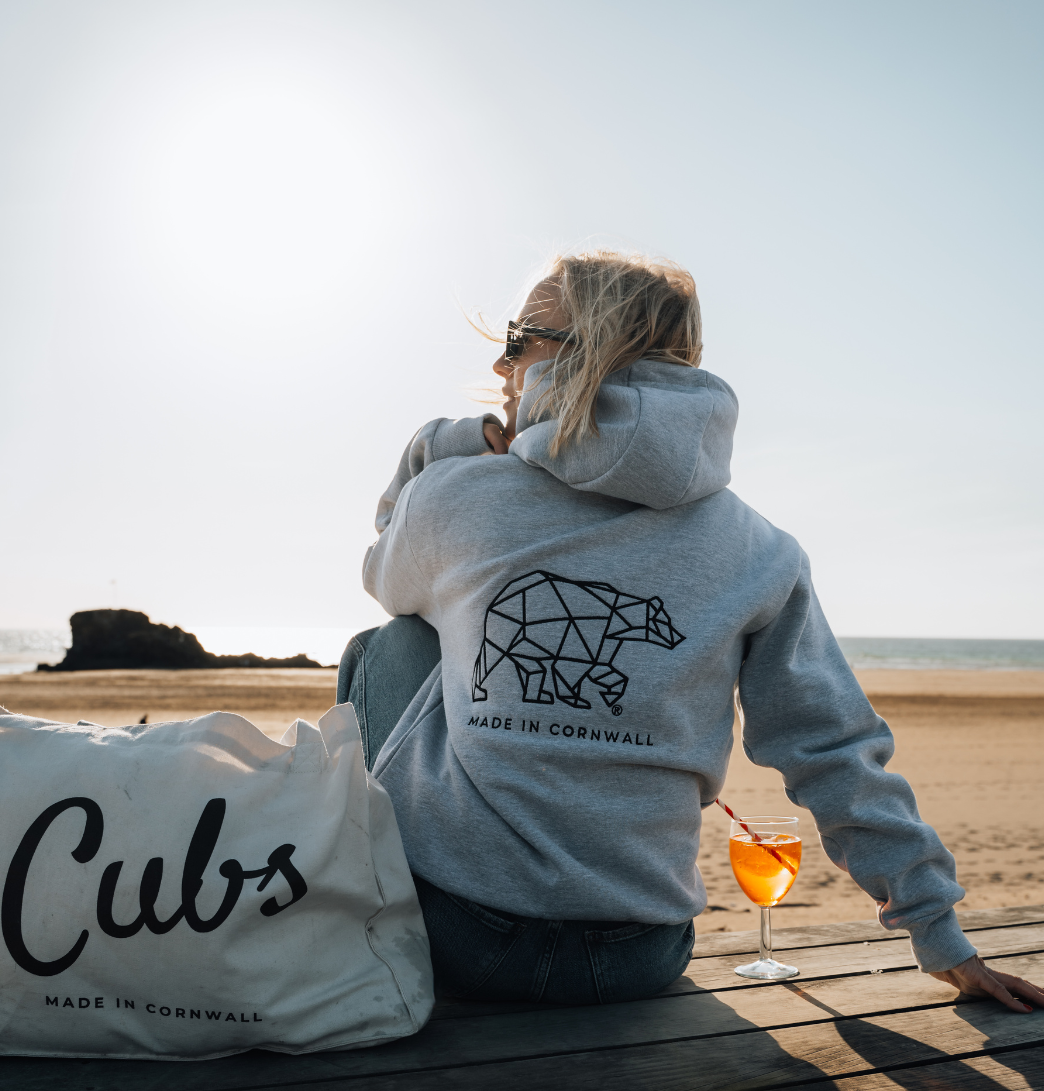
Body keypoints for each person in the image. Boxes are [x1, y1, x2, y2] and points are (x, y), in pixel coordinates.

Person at [338, 249, 1044, 1012]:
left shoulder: (461, 493)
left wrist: (437, 449)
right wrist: (940, 935)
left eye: (518, 338)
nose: (501, 362)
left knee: (389, 645)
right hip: (641, 951)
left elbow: (385, 568)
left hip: (458, 937)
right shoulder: (759, 548)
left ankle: (360, 900)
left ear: (584, 353)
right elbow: (832, 749)